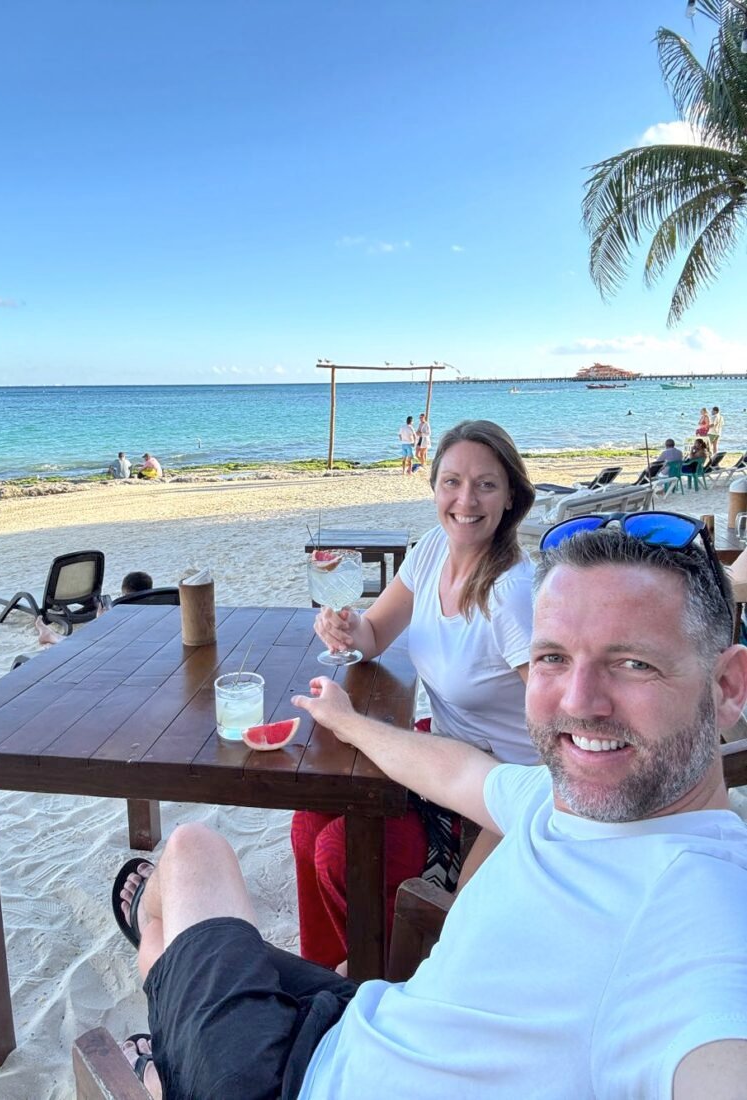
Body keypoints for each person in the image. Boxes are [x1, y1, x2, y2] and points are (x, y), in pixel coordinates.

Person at [111, 520, 747, 1098]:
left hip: (286, 1084)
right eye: (553, 657)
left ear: (727, 688)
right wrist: (350, 723)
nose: (580, 701)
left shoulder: (698, 909)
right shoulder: (576, 805)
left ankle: (165, 1057)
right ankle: (170, 1035)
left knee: (193, 850)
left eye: (633, 663)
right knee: (201, 929)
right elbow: (465, 771)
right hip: (367, 1017)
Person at [292, 420, 537, 968]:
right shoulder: (432, 550)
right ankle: (327, 971)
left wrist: (498, 841)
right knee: (311, 811)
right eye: (451, 482)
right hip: (441, 755)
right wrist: (342, 627)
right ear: (434, 488)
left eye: (485, 485)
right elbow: (374, 635)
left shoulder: (511, 594)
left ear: (510, 498)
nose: (465, 500)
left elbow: (557, 729)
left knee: (341, 854)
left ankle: (383, 974)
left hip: (497, 787)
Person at [35, 571, 154, 644]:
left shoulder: (123, 610)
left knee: (83, 644)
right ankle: (50, 636)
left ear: (124, 593)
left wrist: (101, 620)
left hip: (121, 646)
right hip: (146, 643)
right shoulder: (157, 606)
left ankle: (50, 636)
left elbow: (109, 636)